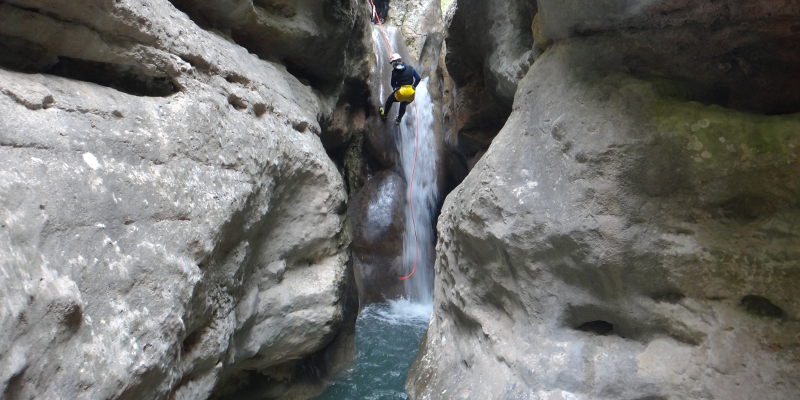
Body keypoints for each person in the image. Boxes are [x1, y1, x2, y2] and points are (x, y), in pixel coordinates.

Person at [379, 53, 421, 125]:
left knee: (390, 100)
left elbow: (393, 83)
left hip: (400, 93)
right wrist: (414, 86)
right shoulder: (410, 68)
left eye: (392, 63)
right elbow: (418, 78)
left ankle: (384, 115)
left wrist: (396, 88)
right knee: (403, 104)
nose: (392, 65)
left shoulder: (394, 72)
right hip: (411, 94)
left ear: (395, 62)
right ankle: (398, 120)